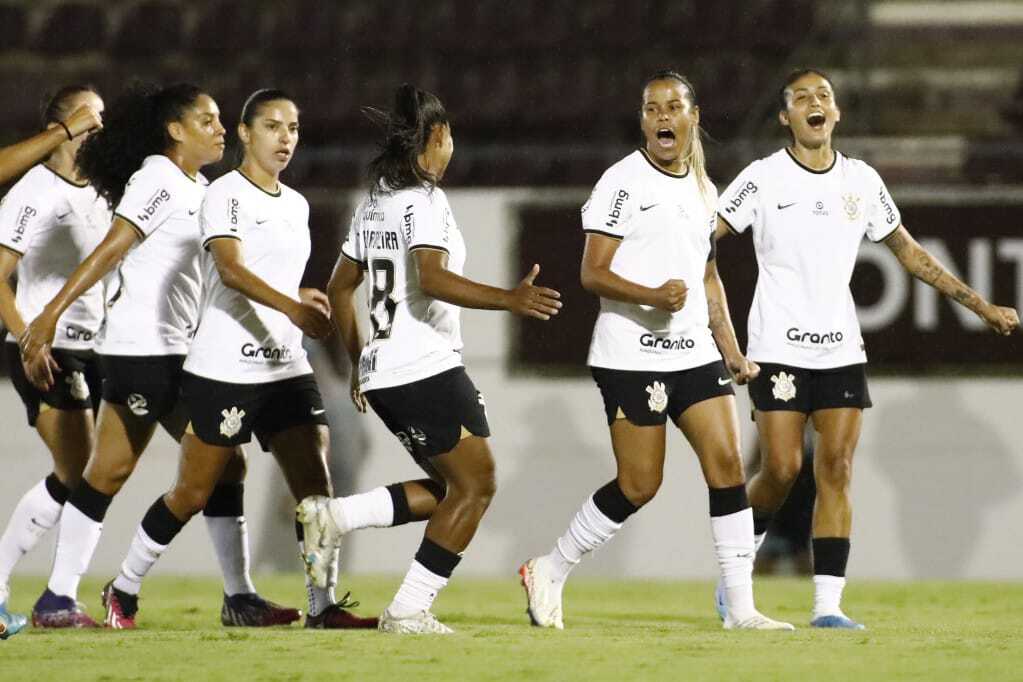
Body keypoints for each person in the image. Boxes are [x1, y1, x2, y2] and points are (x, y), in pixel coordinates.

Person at [715, 68, 1020, 629]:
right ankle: (736, 572)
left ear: (836, 115)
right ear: (785, 117)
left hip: (841, 349)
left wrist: (981, 306)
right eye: (801, 97)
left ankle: (828, 607)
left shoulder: (860, 180)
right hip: (777, 345)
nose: (815, 103)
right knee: (781, 468)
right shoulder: (761, 178)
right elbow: (704, 238)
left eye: (824, 96)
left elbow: (908, 252)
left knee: (837, 467)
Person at [518, 70, 793, 632]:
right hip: (629, 354)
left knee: (728, 467)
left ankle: (740, 608)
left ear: (694, 117)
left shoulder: (702, 189)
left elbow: (708, 275)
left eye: (673, 107)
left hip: (693, 352)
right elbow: (592, 273)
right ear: (642, 121)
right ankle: (550, 567)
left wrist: (732, 350)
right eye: (651, 109)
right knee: (640, 484)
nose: (662, 118)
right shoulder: (623, 182)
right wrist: (651, 295)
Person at [19, 83, 297, 628]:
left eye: (220, 121)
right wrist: (51, 314)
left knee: (194, 466)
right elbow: (112, 248)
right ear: (175, 131)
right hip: (142, 349)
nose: (221, 129)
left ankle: (235, 596)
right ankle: (63, 598)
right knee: (129, 469)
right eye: (208, 120)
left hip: (170, 350)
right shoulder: (158, 178)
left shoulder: (200, 185)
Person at [98, 88, 376, 630]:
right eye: (272, 126)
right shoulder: (223, 194)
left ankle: (322, 606)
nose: (285, 138)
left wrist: (302, 298)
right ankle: (123, 588)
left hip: (286, 367)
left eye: (293, 128)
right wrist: (294, 305)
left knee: (316, 489)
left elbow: (271, 275)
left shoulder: (295, 205)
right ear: (245, 134)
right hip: (225, 367)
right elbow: (230, 270)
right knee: (194, 491)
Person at [296, 83, 562, 635]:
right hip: (425, 366)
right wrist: (508, 299)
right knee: (478, 485)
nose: (452, 147)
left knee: (450, 488)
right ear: (435, 138)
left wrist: (358, 361)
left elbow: (340, 287)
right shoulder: (424, 201)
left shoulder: (375, 206)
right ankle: (409, 609)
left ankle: (336, 516)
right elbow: (432, 277)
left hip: (389, 371)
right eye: (449, 136)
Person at [0, 85, 107, 641]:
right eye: (92, 115)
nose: (101, 124)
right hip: (48, 346)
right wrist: (27, 341)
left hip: (101, 346)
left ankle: (49, 593)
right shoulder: (33, 191)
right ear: (66, 124)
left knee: (82, 474)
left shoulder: (106, 189)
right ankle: (53, 596)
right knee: (81, 471)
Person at [0, 101, 102, 186]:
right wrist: (65, 130)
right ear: (53, 127)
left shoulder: (102, 188)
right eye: (83, 116)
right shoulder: (34, 188)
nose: (96, 125)